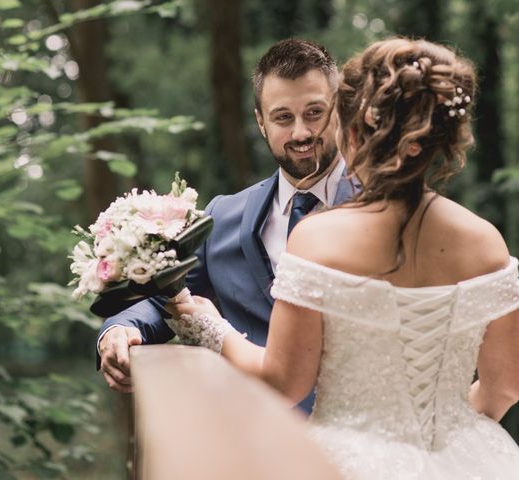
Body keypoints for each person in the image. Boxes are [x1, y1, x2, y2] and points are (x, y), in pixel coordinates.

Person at [166, 37, 519, 478]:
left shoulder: (318, 239)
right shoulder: (485, 242)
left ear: (353, 131)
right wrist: (437, 434)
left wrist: (208, 324)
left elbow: (284, 381)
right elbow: (504, 386)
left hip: (344, 461)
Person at [96, 39, 357, 412]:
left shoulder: (384, 207)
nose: (301, 133)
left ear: (339, 111)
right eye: (283, 117)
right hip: (250, 435)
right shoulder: (223, 217)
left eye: (314, 113)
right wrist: (120, 330)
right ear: (260, 122)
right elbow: (166, 299)